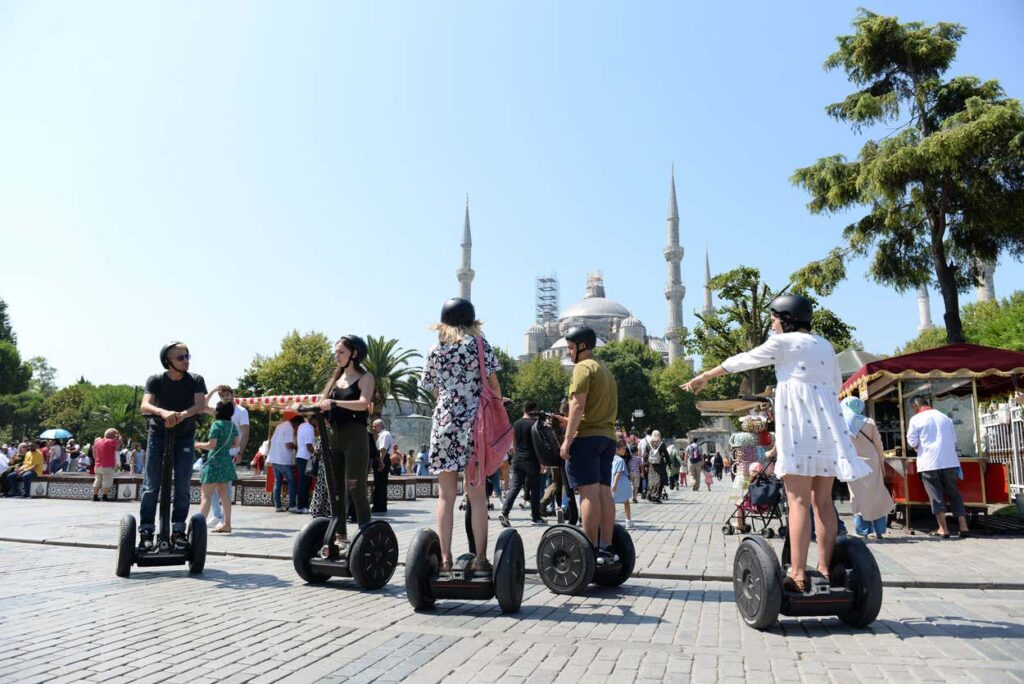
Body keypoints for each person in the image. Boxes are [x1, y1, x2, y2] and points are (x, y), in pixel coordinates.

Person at [683, 294, 870, 593]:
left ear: (786, 319)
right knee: (823, 502)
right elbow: (836, 385)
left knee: (796, 501)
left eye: (774, 321)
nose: (772, 327)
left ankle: (797, 573)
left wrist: (705, 375)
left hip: (800, 426)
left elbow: (742, 361)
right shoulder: (825, 345)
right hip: (828, 426)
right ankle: (824, 568)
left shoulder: (783, 343)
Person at [421, 298, 502, 574]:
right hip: (474, 426)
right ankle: (480, 559)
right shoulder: (479, 346)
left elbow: (432, 388)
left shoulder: (435, 349)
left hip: (443, 425)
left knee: (445, 496)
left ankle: (444, 560)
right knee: (477, 495)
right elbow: (495, 387)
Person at [139, 341, 208, 550]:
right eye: (180, 358)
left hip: (184, 436)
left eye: (187, 356)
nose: (186, 361)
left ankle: (178, 530)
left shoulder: (195, 380)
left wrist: (181, 415)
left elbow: (200, 405)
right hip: (158, 434)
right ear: (168, 361)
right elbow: (145, 406)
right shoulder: (156, 380)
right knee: (151, 486)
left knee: (182, 486)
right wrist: (163, 412)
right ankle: (147, 531)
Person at [560, 325, 619, 566]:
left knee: (588, 494)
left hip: (587, 439)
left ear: (582, 346)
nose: (569, 353)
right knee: (605, 493)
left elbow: (577, 406)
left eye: (571, 348)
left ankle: (590, 549)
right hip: (607, 438)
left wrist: (567, 440)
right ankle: (606, 546)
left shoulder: (582, 369)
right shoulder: (604, 370)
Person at [310, 335, 375, 549]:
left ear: (354, 354)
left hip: (355, 436)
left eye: (341, 352)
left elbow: (364, 404)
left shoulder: (365, 378)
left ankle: (366, 534)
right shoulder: (335, 381)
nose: (336, 356)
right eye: (336, 352)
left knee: (355, 486)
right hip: (333, 436)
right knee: (335, 487)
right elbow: (321, 403)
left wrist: (335, 402)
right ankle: (340, 536)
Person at [907, 395, 970, 538]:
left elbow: (912, 442)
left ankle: (943, 529)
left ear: (915, 406)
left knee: (936, 496)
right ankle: (963, 526)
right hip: (950, 461)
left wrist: (920, 447)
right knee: (954, 494)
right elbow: (954, 440)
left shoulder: (916, 419)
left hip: (929, 462)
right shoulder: (945, 418)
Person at [841, 397, 894, 540]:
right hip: (872, 462)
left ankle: (863, 530)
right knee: (876, 494)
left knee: (857, 496)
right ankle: (879, 529)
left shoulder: (841, 424)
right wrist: (882, 463)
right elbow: (878, 444)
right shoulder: (869, 422)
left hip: (853, 462)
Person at [204, 385, 250, 525]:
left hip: (231, 452)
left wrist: (240, 451)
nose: (224, 397)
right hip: (216, 453)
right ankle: (217, 515)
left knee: (226, 487)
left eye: (226, 394)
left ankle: (224, 518)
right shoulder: (219, 410)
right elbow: (203, 406)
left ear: (232, 394)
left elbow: (245, 433)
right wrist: (212, 391)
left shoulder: (241, 411)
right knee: (210, 486)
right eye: (221, 395)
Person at [194, 401, 239, 533]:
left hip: (214, 462)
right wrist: (224, 447)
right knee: (225, 496)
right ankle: (227, 524)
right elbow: (236, 444)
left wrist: (197, 445)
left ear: (218, 412)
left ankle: (199, 527)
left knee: (206, 495)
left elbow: (211, 445)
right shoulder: (232, 426)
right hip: (226, 461)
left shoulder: (216, 424)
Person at [499, 400, 545, 527]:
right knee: (535, 489)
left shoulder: (516, 424)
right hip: (532, 460)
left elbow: (513, 444)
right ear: (534, 409)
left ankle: (505, 512)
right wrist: (542, 462)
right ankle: (535, 517)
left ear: (524, 410)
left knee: (514, 487)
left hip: (517, 459)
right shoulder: (535, 424)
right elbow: (539, 444)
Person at [268, 415, 302, 513]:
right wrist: (297, 447)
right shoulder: (289, 428)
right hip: (284, 460)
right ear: (296, 424)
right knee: (291, 482)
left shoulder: (280, 426)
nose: (297, 429)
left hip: (275, 458)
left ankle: (278, 506)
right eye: (298, 427)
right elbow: (288, 445)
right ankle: (292, 505)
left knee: (277, 482)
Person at [611, 438, 634, 529]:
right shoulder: (620, 460)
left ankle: (612, 520)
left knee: (612, 503)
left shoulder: (610, 458)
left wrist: (613, 485)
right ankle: (628, 520)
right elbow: (619, 473)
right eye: (624, 448)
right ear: (617, 449)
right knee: (626, 502)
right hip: (621, 484)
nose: (625, 450)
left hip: (612, 483)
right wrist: (615, 485)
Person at [91, 428, 120, 501]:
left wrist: (97, 460)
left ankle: (95, 496)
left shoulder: (97, 442)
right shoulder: (111, 441)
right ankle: (104, 496)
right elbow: (119, 442)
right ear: (113, 436)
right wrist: (118, 434)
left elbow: (94, 453)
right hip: (107, 465)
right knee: (107, 480)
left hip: (97, 465)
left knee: (97, 480)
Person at [294, 416, 315, 513]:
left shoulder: (302, 426)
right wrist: (317, 453)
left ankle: (301, 506)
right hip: (305, 458)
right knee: (305, 483)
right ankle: (303, 506)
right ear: (314, 420)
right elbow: (309, 446)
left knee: (303, 482)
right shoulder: (309, 428)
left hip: (301, 457)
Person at [371, 419, 392, 513]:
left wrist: (381, 462)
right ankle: (380, 506)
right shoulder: (384, 434)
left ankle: (379, 506)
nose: (373, 428)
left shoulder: (384, 435)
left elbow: (383, 449)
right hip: (383, 459)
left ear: (380, 426)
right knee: (380, 484)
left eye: (374, 426)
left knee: (380, 484)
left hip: (383, 459)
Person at [646, 430, 666, 503]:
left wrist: (645, 464)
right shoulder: (662, 444)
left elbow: (645, 454)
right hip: (660, 465)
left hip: (651, 465)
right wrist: (669, 463)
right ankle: (656, 496)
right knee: (659, 480)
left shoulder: (648, 444)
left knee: (651, 480)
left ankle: (649, 494)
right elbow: (666, 454)